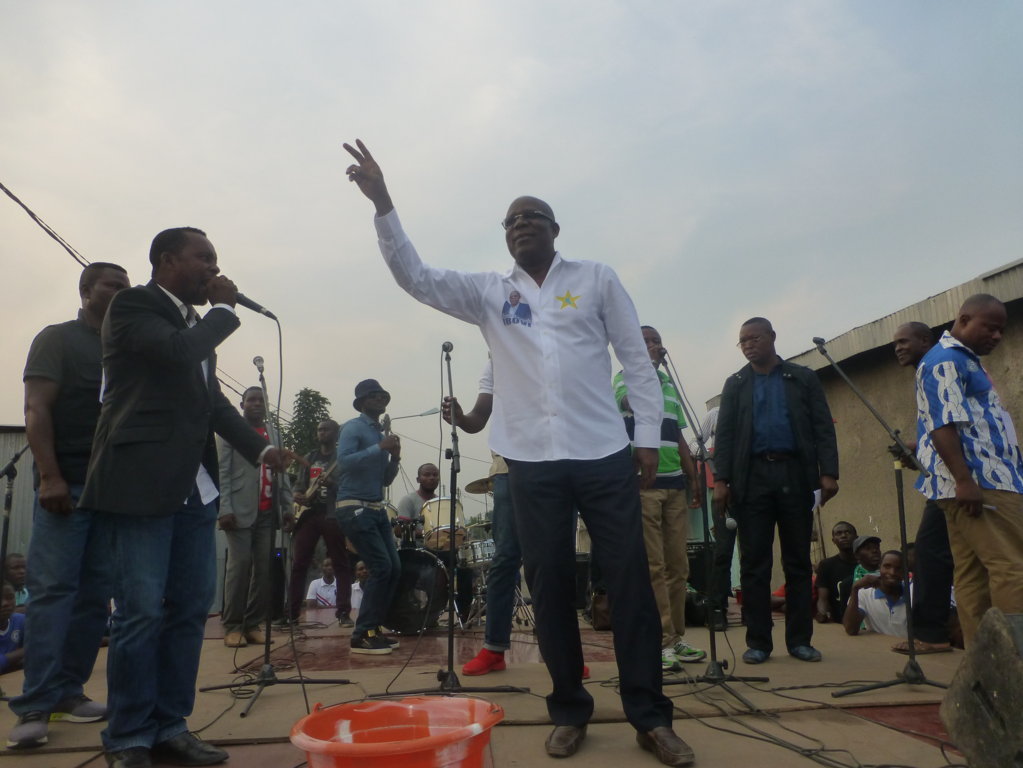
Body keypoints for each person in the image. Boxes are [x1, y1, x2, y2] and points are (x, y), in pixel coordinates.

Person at [344, 140, 693, 766]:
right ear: (504, 237)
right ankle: (569, 710)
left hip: (602, 453)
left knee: (630, 584)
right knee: (549, 585)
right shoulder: (489, 293)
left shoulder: (596, 278)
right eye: (510, 221)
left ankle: (649, 716)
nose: (520, 225)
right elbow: (416, 278)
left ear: (556, 229)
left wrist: (646, 438)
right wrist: (384, 204)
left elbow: (635, 360)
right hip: (531, 461)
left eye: (532, 216)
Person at [78, 226, 300, 768]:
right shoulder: (134, 306)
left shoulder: (195, 326)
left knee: (190, 611)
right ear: (166, 260)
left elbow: (213, 404)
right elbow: (178, 356)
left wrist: (260, 450)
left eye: (215, 260)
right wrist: (224, 309)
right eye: (204, 258)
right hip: (140, 482)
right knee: (140, 614)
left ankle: (171, 725)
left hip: (194, 489)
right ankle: (129, 735)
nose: (214, 268)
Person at [8, 261, 130, 750]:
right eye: (112, 285)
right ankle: (34, 704)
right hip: (67, 485)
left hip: (111, 492)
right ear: (86, 290)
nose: (121, 292)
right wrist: (50, 476)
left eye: (126, 286)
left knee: (94, 598)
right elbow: (36, 409)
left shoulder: (125, 346)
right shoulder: (57, 339)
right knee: (53, 593)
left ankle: (68, 692)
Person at [713, 317, 839, 665]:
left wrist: (829, 472)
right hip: (751, 478)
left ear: (771, 336)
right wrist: (721, 480)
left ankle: (799, 640)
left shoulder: (802, 378)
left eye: (754, 338)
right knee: (755, 562)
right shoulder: (736, 384)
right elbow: (725, 436)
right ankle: (758, 641)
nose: (748, 344)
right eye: (742, 341)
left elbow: (822, 427)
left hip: (795, 474)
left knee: (798, 561)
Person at [914, 294, 1023, 646]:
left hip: (980, 481)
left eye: (1001, 330)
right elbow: (942, 424)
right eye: (989, 327)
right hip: (981, 481)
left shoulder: (963, 360)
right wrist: (964, 479)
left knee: (973, 574)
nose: (997, 336)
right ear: (963, 320)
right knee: (1013, 567)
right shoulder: (945, 361)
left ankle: (984, 663)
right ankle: (1014, 659)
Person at [613, 325, 705, 670]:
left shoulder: (668, 385)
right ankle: (661, 640)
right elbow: (629, 403)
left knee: (678, 566)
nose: (653, 346)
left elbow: (677, 434)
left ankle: (676, 637)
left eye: (656, 341)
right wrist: (648, 368)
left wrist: (693, 476)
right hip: (644, 484)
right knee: (654, 566)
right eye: (646, 342)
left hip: (674, 483)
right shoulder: (623, 379)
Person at [892, 322, 954, 653]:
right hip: (945, 480)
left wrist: (963, 480)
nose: (898, 348)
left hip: (953, 481)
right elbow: (938, 427)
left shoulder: (935, 364)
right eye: (895, 343)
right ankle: (933, 633)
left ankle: (931, 635)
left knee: (931, 553)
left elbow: (950, 425)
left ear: (925, 340)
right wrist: (919, 446)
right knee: (936, 554)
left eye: (904, 341)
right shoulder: (929, 368)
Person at [218, 386, 293, 648]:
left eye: (261, 400)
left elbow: (282, 473)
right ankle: (232, 626)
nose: (257, 404)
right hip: (239, 509)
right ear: (242, 405)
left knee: (264, 570)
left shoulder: (274, 433)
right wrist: (224, 508)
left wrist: (288, 507)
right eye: (251, 400)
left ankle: (252, 624)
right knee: (239, 567)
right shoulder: (231, 431)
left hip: (267, 511)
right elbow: (223, 471)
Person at [335, 378, 402, 655]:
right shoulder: (353, 427)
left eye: (383, 396)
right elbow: (343, 462)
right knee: (382, 567)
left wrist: (395, 457)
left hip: (375, 507)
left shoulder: (378, 433)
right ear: (362, 402)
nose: (380, 400)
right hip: (354, 506)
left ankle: (373, 629)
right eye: (374, 396)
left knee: (393, 568)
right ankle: (362, 633)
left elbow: (385, 479)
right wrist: (380, 448)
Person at [289, 419, 354, 627]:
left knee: (340, 563)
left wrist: (332, 483)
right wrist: (298, 494)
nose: (322, 433)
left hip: (332, 513)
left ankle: (343, 612)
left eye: (326, 429)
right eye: (319, 430)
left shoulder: (342, 458)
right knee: (299, 563)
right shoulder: (310, 457)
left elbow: (349, 487)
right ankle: (291, 613)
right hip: (310, 514)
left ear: (336, 434)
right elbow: (299, 485)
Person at [843, 551, 909, 638]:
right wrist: (855, 589)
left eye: (898, 568)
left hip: (908, 646)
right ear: (879, 567)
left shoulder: (913, 593)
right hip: (877, 646)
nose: (892, 572)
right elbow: (851, 629)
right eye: (887, 566)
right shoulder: (864, 594)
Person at [814, 521, 858, 623]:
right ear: (833, 540)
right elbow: (822, 599)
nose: (843, 536)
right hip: (840, 622)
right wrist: (822, 613)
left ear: (856, 537)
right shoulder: (826, 565)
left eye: (847, 532)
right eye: (839, 533)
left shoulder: (865, 563)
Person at [395, 462, 440, 539]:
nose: (432, 478)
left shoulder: (440, 502)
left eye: (435, 475)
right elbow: (399, 531)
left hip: (440, 545)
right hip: (417, 545)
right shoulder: (407, 500)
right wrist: (427, 534)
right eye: (427, 475)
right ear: (418, 480)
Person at [0, 583, 26, 675]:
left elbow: (36, 647)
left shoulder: (21, 620)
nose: (5, 603)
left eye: (10, 597)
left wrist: (5, 659)